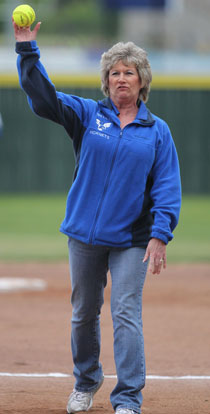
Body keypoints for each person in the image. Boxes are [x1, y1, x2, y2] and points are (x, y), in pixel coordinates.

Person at [13, 20, 181, 414]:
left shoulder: (157, 131)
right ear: (106, 81)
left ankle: (127, 399)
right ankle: (86, 384)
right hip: (85, 235)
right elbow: (44, 98)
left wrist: (160, 233)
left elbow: (167, 186)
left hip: (132, 238)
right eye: (114, 72)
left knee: (125, 312)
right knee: (84, 313)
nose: (121, 78)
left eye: (129, 72)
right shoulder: (89, 115)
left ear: (142, 81)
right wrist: (26, 51)